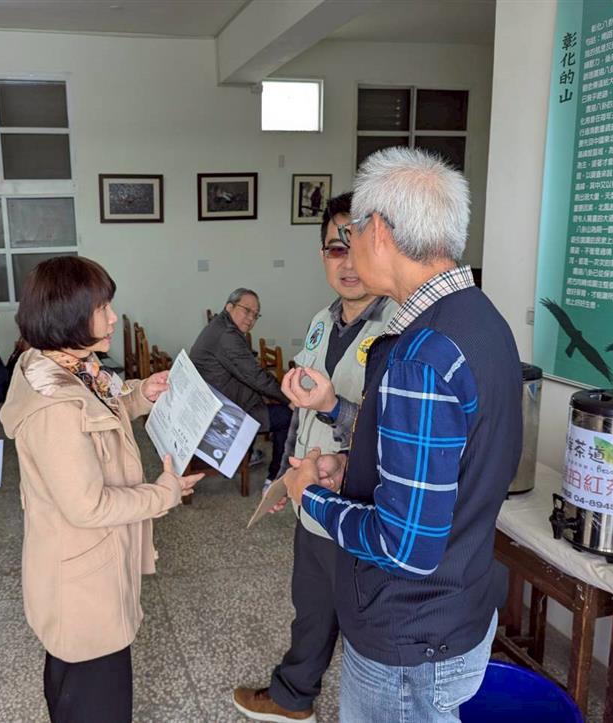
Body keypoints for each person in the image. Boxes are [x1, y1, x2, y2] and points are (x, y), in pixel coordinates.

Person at [283, 147, 522, 722]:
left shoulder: (422, 356)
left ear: (381, 232)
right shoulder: (482, 320)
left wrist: (309, 496)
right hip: (454, 609)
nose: (351, 245)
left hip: (409, 636)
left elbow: (404, 545)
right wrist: (356, 469)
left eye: (356, 229)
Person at [0, 256, 203, 723]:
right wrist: (166, 491)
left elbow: (99, 409)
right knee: (95, 694)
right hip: (82, 581)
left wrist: (140, 395)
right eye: (102, 307)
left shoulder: (64, 365)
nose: (113, 317)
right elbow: (87, 505)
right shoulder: (55, 404)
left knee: (74, 681)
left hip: (86, 567)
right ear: (68, 314)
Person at [233, 192, 397, 723]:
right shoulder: (322, 322)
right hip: (311, 495)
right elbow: (301, 414)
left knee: (360, 618)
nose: (347, 263)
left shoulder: (399, 331)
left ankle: (358, 707)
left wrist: (333, 405)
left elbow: (392, 437)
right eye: (333, 249)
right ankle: (292, 696)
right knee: (311, 604)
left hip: (360, 507)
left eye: (357, 246)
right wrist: (283, 476)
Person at [190, 288, 291, 486]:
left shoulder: (220, 325)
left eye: (255, 314)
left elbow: (249, 373)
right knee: (287, 416)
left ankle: (246, 454)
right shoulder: (226, 334)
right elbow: (255, 376)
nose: (251, 318)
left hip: (215, 401)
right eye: (247, 310)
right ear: (229, 307)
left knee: (266, 397)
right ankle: (275, 477)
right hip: (223, 415)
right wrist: (289, 399)